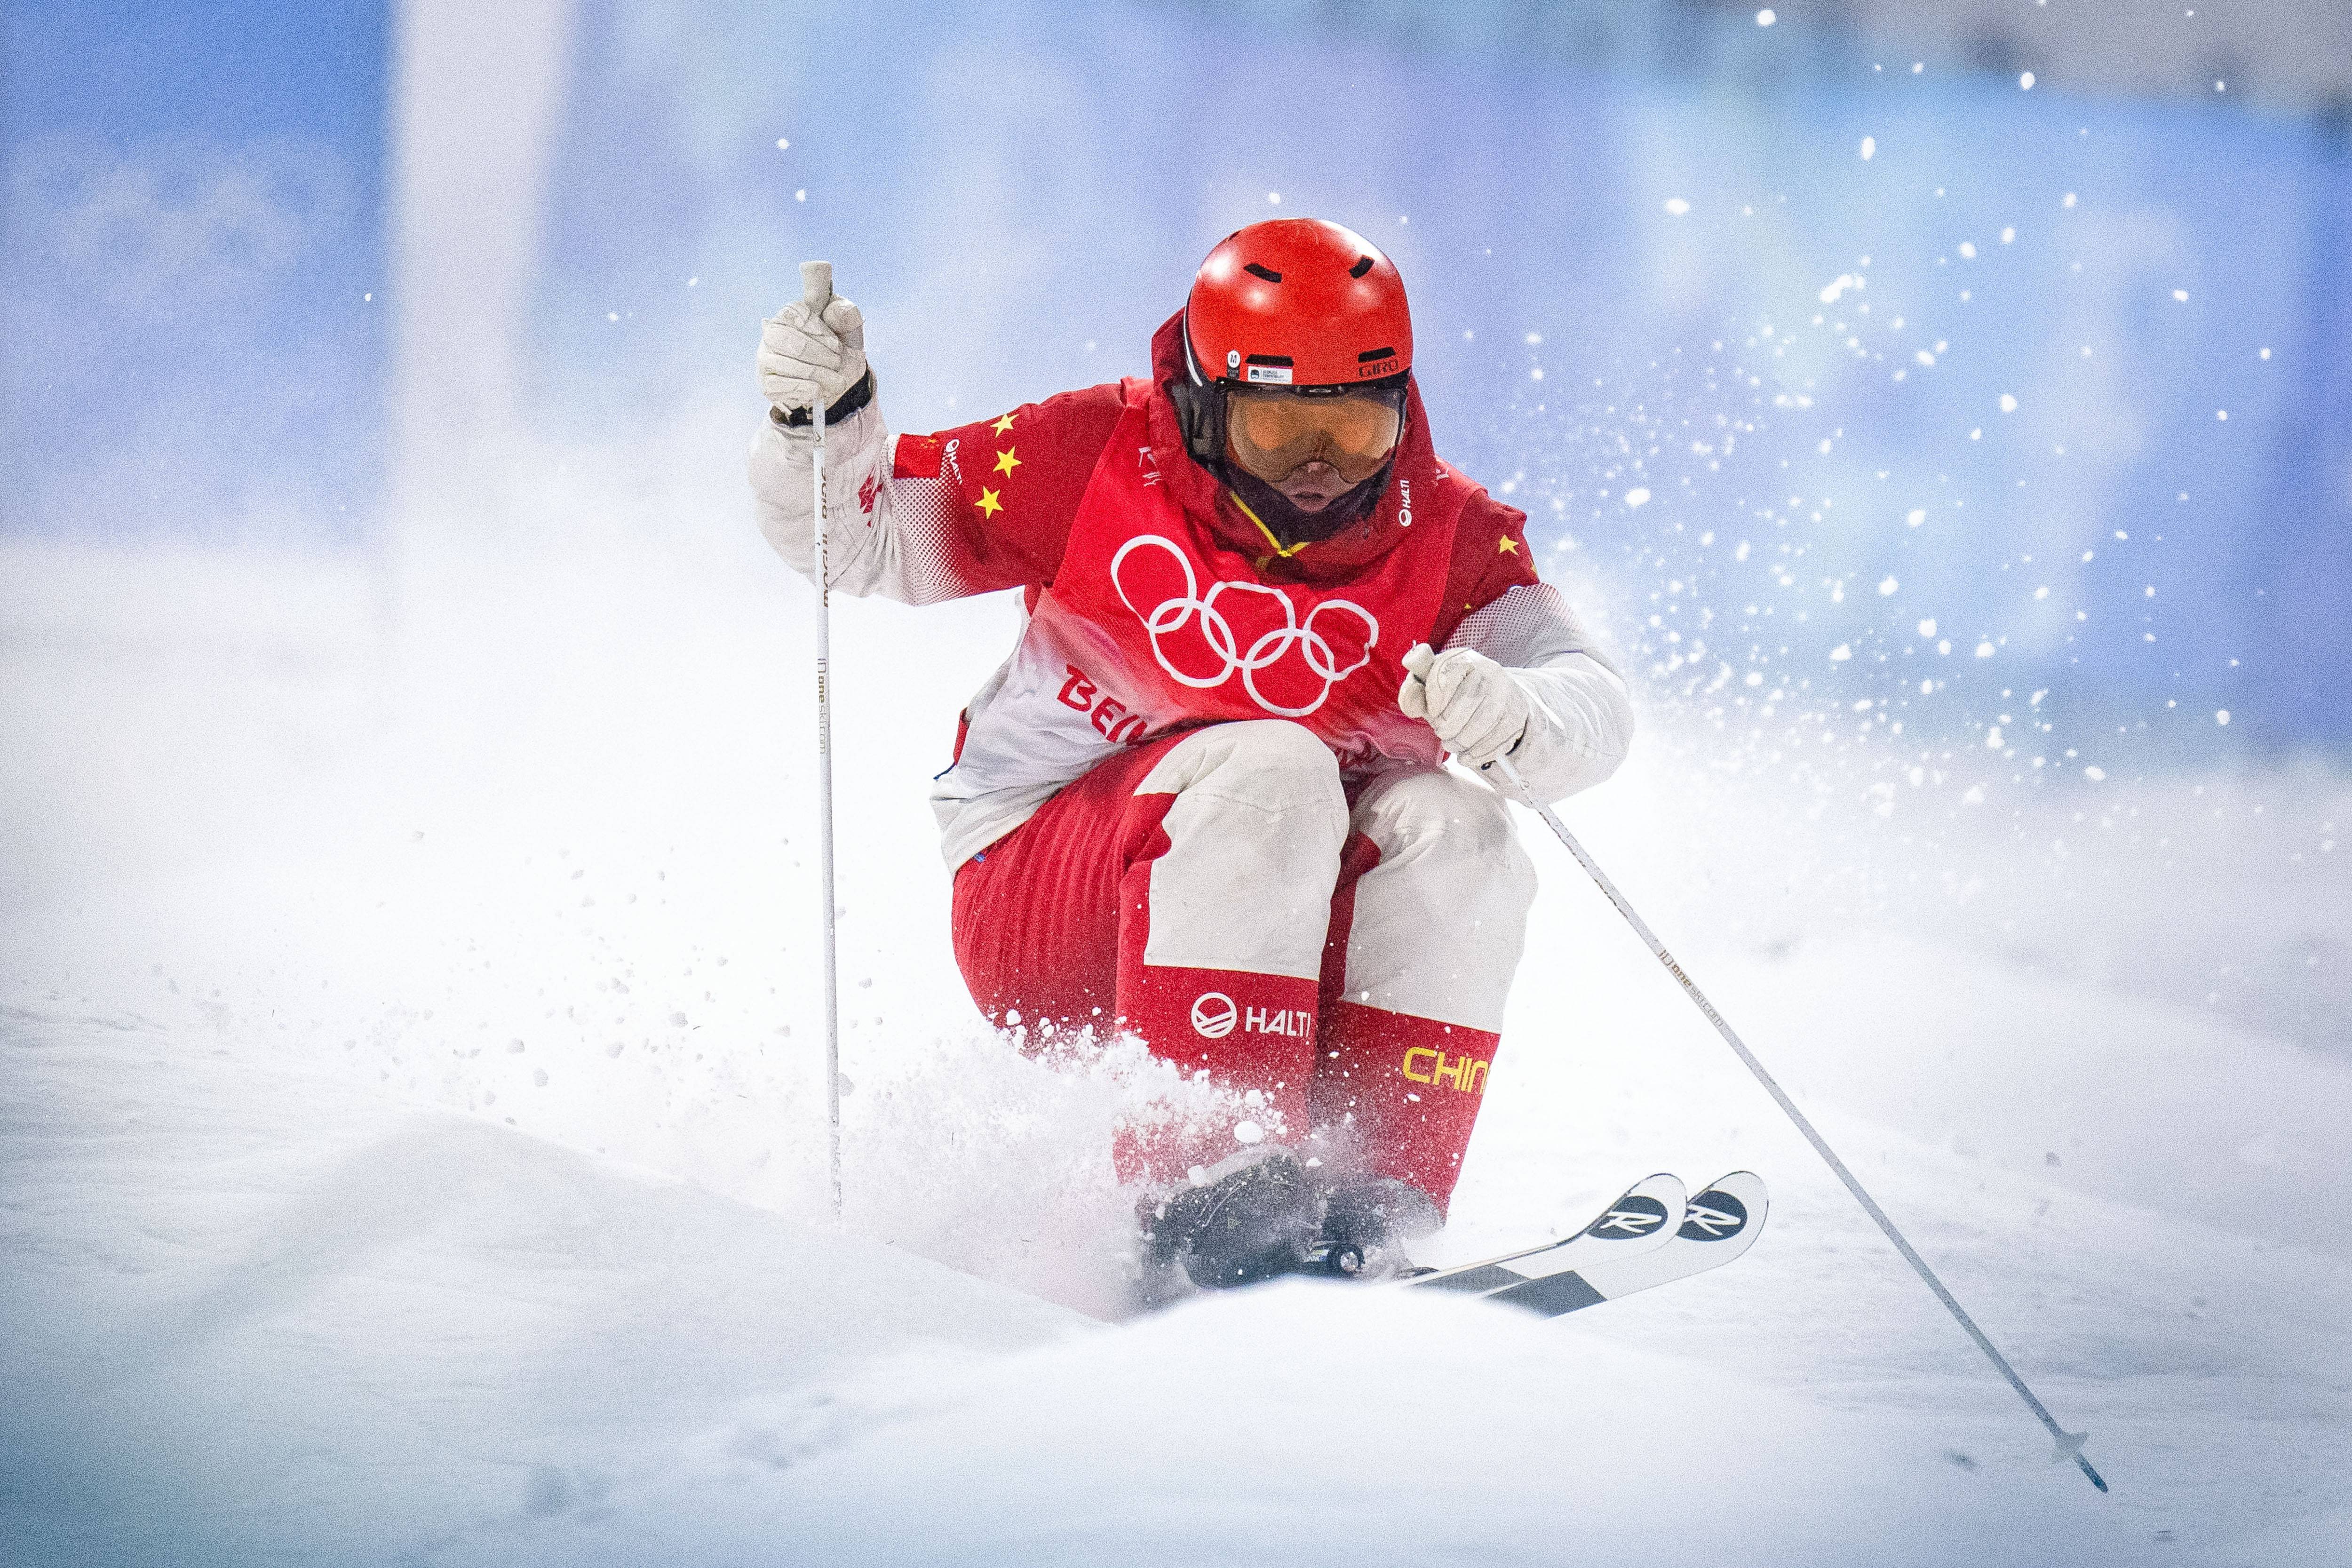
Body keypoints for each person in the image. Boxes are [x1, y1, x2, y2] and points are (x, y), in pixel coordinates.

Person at [750, 218, 1632, 1289]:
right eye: (1276, 431)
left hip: (1281, 947)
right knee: (1272, 765)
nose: (1316, 473)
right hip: (1047, 899)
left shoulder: (1448, 538)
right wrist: (827, 422)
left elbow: (1590, 701)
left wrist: (1520, 714)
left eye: (1353, 433)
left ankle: (1370, 1208)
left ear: (1400, 410)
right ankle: (1206, 1197)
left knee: (1462, 824)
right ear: (1206, 408)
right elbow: (867, 538)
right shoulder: (1094, 456)